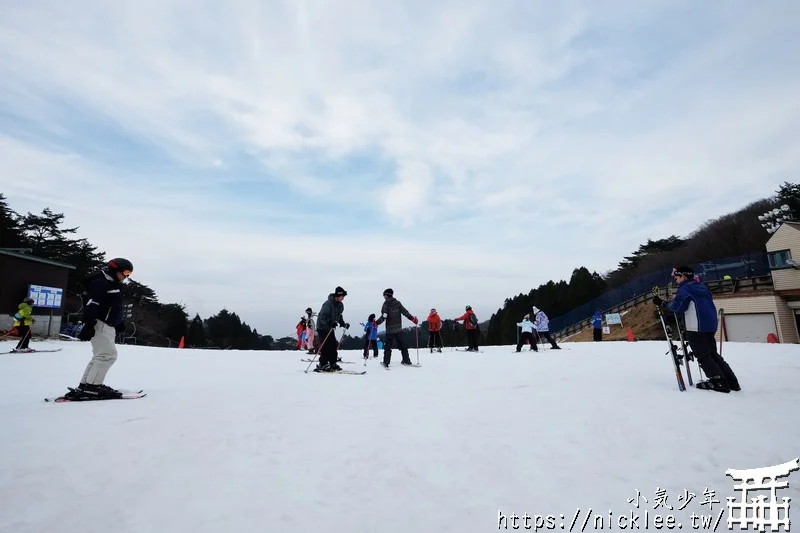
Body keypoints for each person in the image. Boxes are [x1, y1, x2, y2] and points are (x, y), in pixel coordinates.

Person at [653, 266, 740, 393]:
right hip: (710, 324)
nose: (675, 279)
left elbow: (678, 307)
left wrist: (663, 304)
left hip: (696, 326)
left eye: (676, 277)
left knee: (703, 355)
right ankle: (731, 381)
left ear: (683, 276)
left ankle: (718, 381)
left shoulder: (685, 288)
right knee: (712, 354)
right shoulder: (702, 286)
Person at [64, 258, 133, 400]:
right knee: (107, 355)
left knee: (100, 356)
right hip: (99, 324)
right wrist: (88, 325)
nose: (126, 276)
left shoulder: (111, 283)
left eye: (129, 274)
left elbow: (111, 305)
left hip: (107, 324)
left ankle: (86, 385)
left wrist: (119, 321)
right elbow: (92, 305)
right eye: (125, 272)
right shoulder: (100, 283)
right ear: (115, 269)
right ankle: (93, 388)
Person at [375, 288, 418, 367]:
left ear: (386, 295)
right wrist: (412, 318)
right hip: (398, 329)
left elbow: (384, 316)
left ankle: (386, 362)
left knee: (388, 346)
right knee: (403, 345)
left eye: (384, 294)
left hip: (390, 330)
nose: (383, 296)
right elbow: (405, 312)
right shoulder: (398, 303)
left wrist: (376, 323)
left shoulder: (386, 304)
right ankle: (406, 360)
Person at [314, 286, 349, 372]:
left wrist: (343, 323)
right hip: (322, 327)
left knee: (333, 345)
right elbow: (322, 317)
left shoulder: (340, 305)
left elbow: (339, 315)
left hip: (330, 328)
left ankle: (333, 363)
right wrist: (329, 323)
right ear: (338, 296)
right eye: (342, 297)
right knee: (326, 346)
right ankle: (323, 364)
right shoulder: (328, 304)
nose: (343, 298)